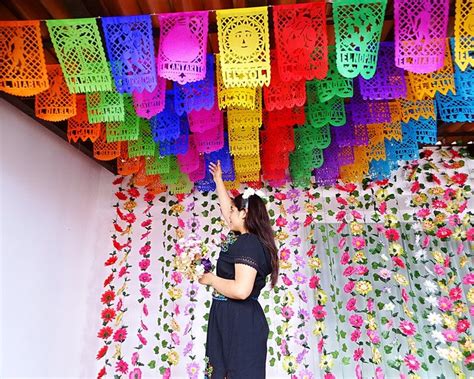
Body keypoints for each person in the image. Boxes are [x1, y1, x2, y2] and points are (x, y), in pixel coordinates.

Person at [197, 160, 279, 378]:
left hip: (239, 320)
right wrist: (218, 181)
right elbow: (227, 210)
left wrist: (211, 280)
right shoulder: (240, 238)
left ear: (244, 213)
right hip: (229, 316)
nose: (228, 214)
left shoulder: (249, 243)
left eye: (234, 210)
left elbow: (242, 290)